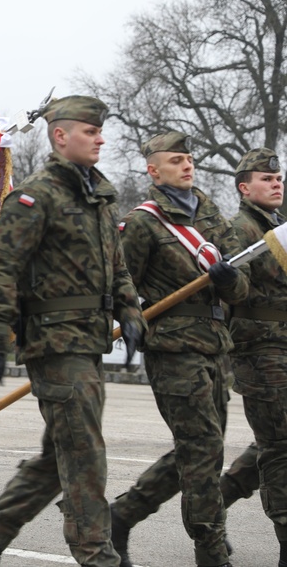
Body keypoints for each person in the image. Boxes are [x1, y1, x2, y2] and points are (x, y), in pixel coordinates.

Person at [0, 96, 147, 567]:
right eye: (89, 131)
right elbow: (0, 272)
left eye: (100, 131)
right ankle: (97, 556)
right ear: (60, 136)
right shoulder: (36, 197)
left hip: (89, 341)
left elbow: (115, 265)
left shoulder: (99, 194)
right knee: (84, 457)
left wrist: (132, 311)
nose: (100, 138)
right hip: (54, 342)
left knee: (59, 453)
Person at [108, 131, 247, 567]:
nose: (187, 165)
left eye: (190, 158)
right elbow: (119, 281)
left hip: (214, 349)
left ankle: (121, 515)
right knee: (203, 448)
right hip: (172, 350)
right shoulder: (143, 222)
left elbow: (242, 288)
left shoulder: (211, 216)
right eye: (176, 160)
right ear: (154, 170)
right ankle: (210, 551)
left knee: (200, 447)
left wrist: (230, 282)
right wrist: (128, 318)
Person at [225, 148, 287, 565]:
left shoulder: (281, 229)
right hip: (260, 351)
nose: (276, 183)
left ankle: (211, 502)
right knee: (280, 447)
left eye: (279, 177)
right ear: (246, 187)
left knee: (276, 441)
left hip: (284, 346)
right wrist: (226, 279)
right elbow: (235, 292)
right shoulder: (240, 230)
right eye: (266, 179)